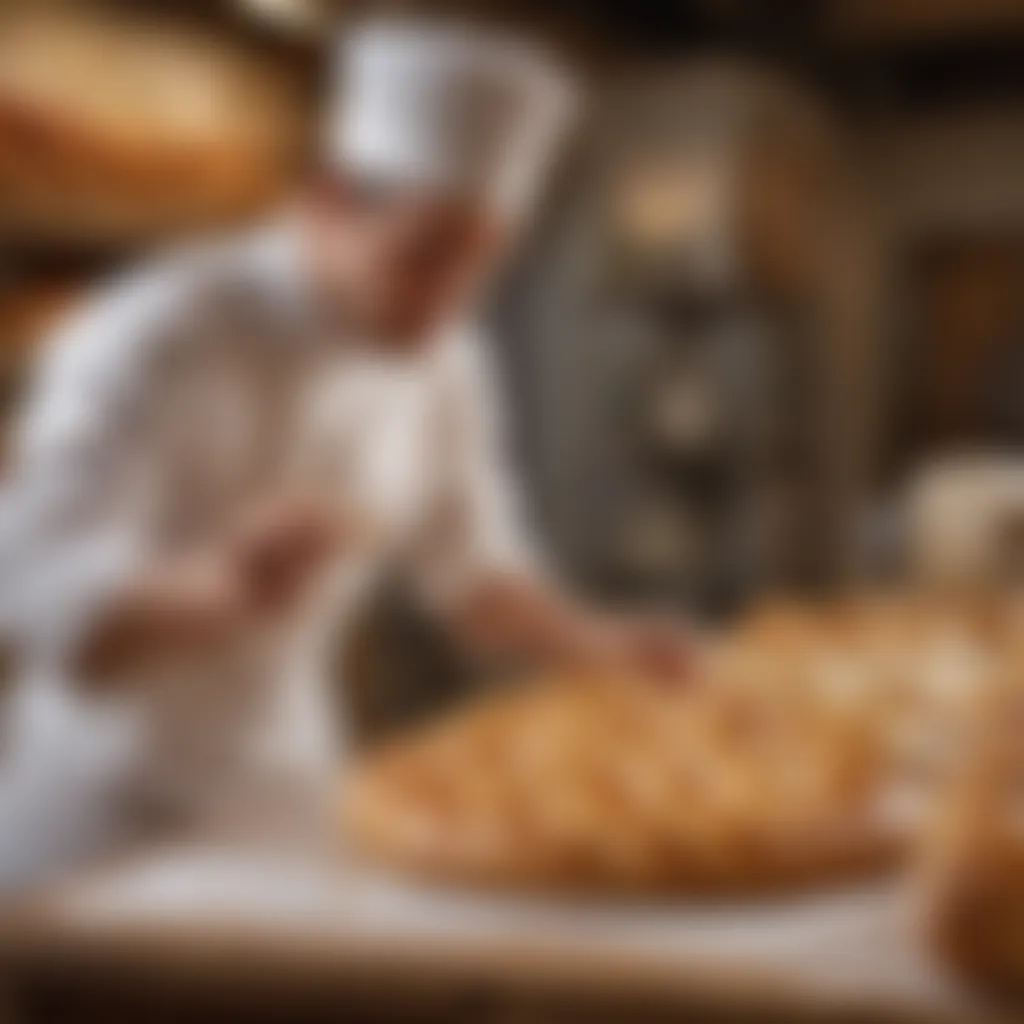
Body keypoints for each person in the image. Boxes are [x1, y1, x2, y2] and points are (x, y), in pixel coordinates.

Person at [0, 22, 692, 888]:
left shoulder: (443, 357)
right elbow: (32, 582)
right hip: (101, 816)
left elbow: (472, 572)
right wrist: (220, 587)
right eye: (423, 256)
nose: (447, 303)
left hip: (291, 789)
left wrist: (603, 644)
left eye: (478, 266)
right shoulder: (153, 332)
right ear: (331, 204)